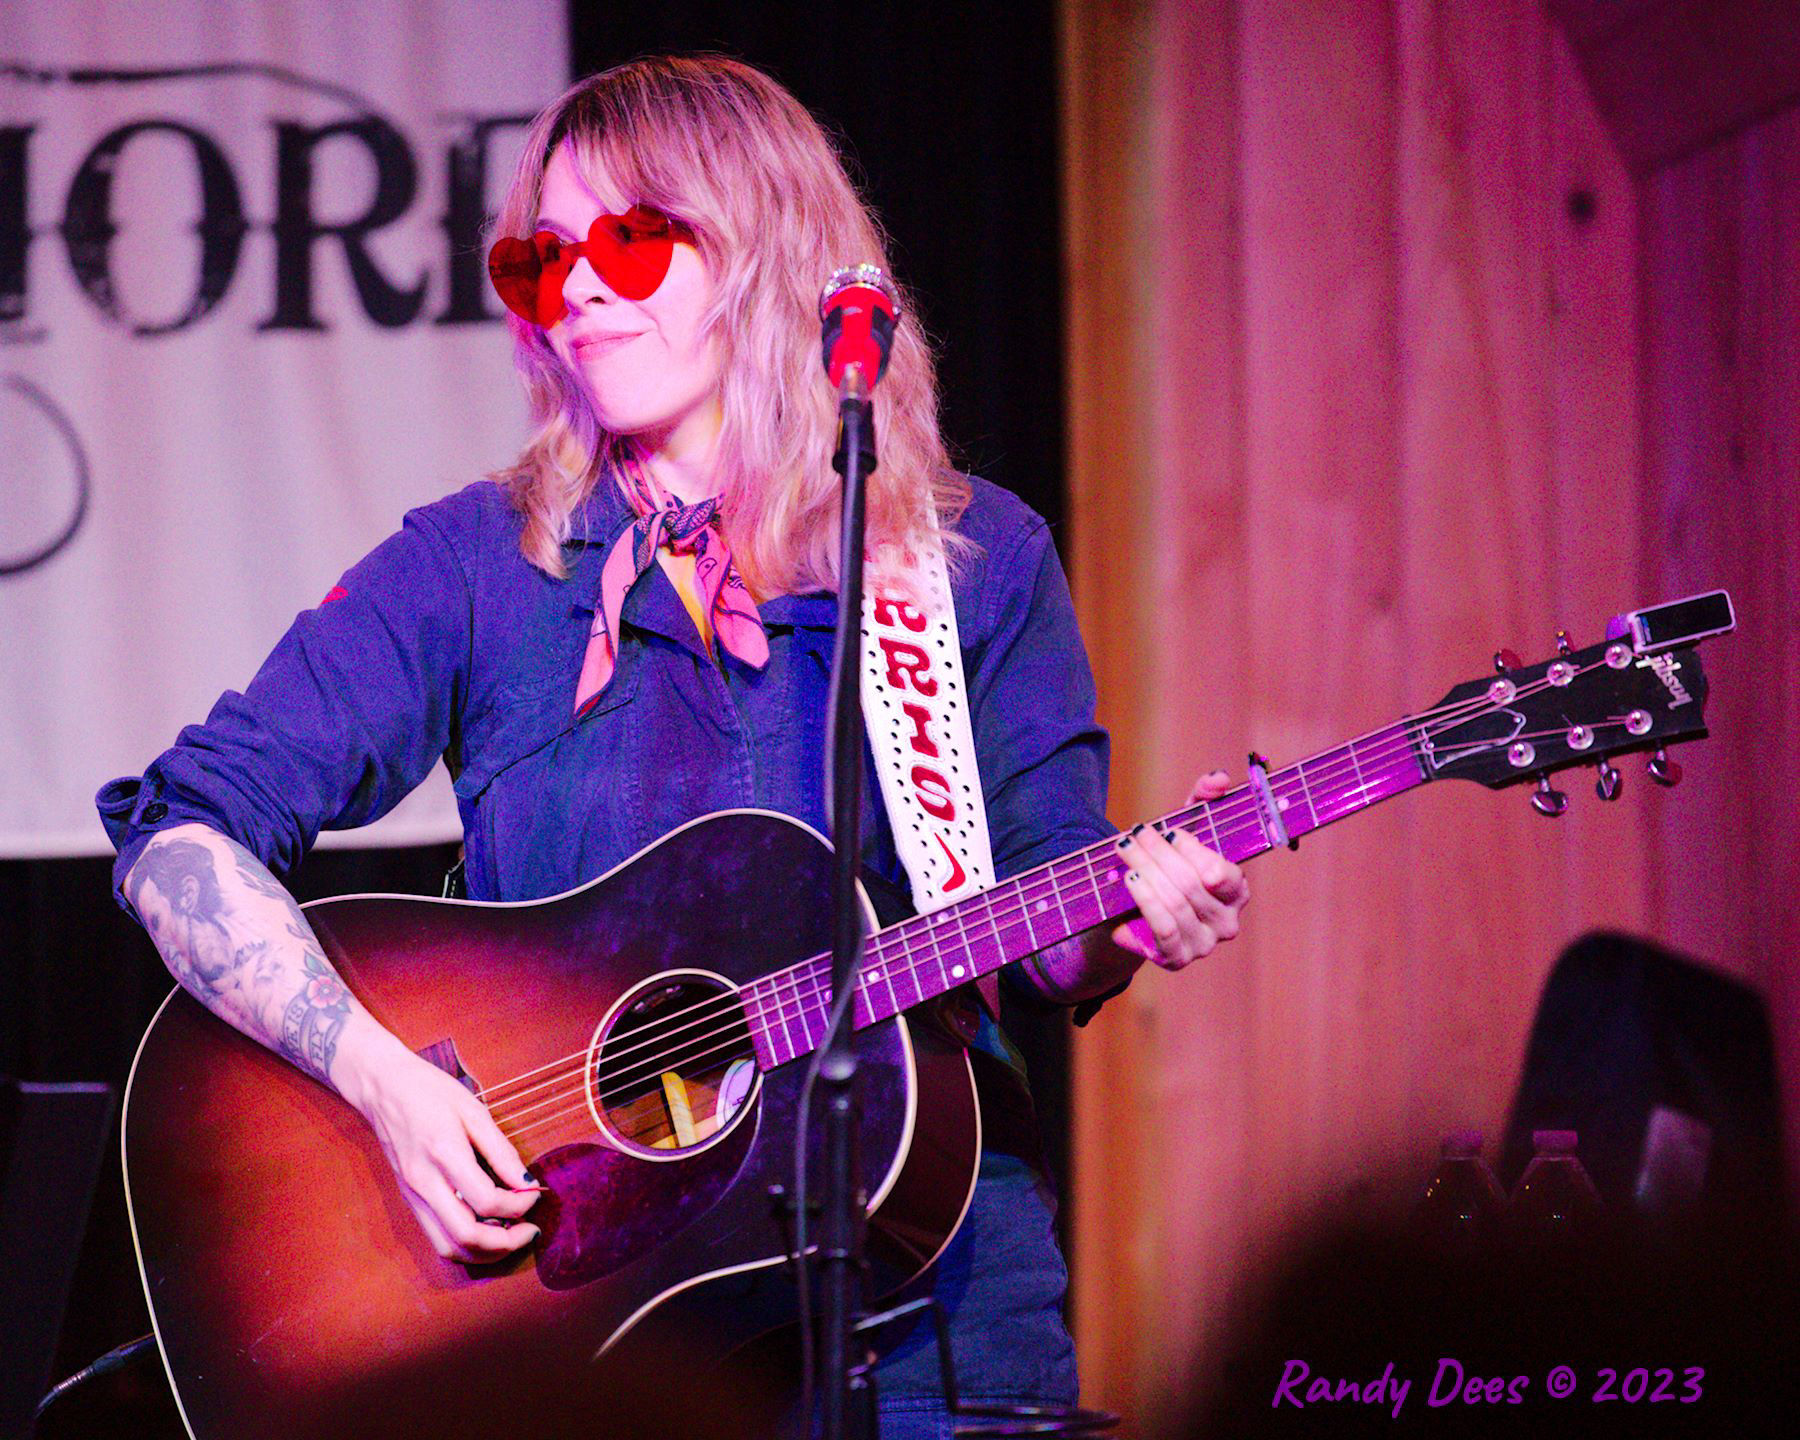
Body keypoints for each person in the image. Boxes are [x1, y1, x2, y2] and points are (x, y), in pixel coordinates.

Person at [97, 54, 1250, 1437]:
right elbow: (183, 834)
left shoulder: (965, 558)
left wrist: (1129, 913)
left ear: (766, 247)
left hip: (936, 1304)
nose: (578, 287)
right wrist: (383, 1084)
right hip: (592, 1337)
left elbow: (1052, 913)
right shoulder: (480, 564)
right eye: (543, 262)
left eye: (631, 241)